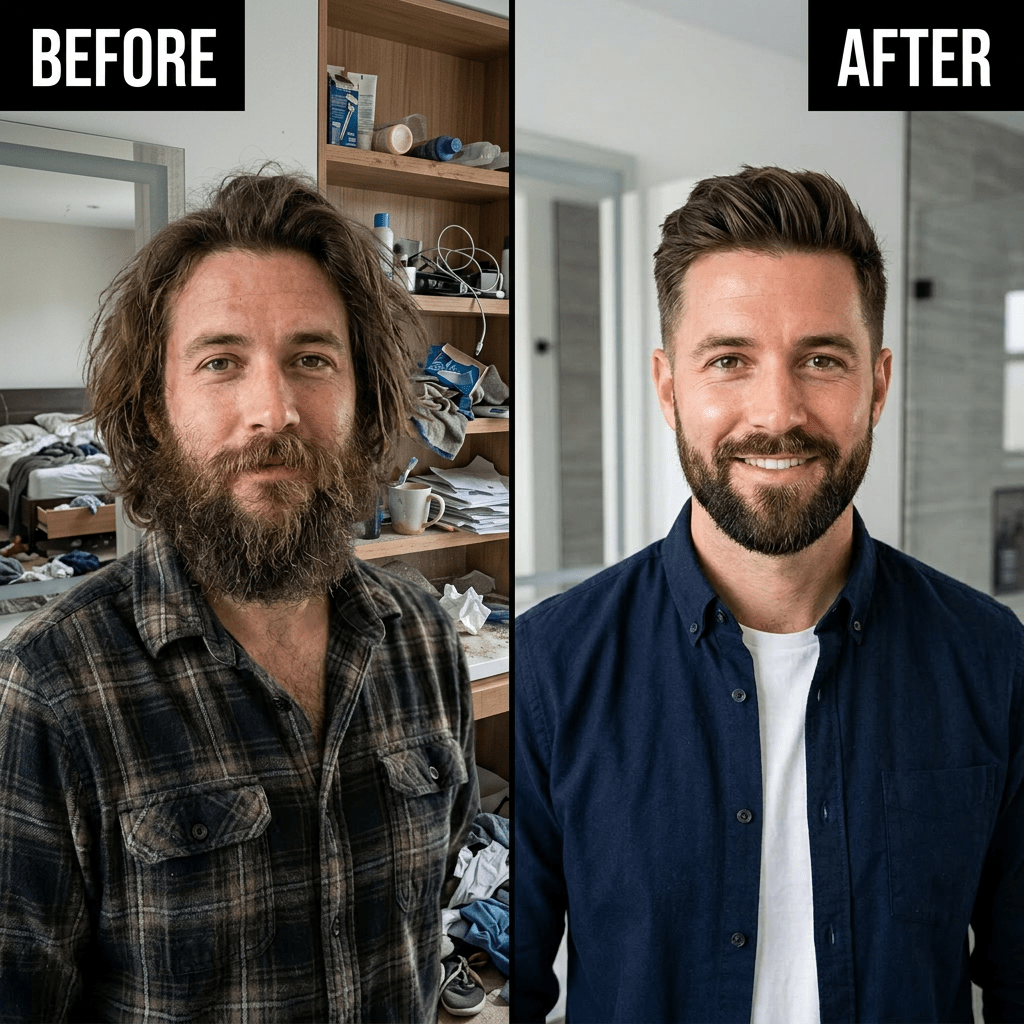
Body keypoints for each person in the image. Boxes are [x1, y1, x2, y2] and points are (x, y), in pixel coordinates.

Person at [514, 166, 1024, 1023]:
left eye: (821, 359)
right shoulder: (549, 668)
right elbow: (507, 985)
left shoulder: (990, 658)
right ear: (669, 385)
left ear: (880, 383)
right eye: (729, 360)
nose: (776, 411)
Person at [0, 171, 478, 1021]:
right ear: (155, 409)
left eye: (312, 360)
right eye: (222, 362)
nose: (274, 409)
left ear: (364, 397)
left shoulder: (424, 643)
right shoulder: (46, 695)